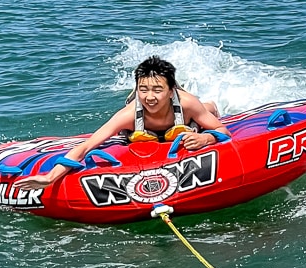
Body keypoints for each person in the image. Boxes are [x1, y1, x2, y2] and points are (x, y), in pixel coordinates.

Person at [17, 56, 229, 189]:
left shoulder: (187, 103)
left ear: (171, 90)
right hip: (144, 129)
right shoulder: (128, 115)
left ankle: (210, 106)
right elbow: (86, 146)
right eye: (143, 90)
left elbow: (223, 131)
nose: (150, 97)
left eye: (157, 90)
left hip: (182, 119)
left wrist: (205, 137)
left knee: (203, 113)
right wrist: (50, 177)